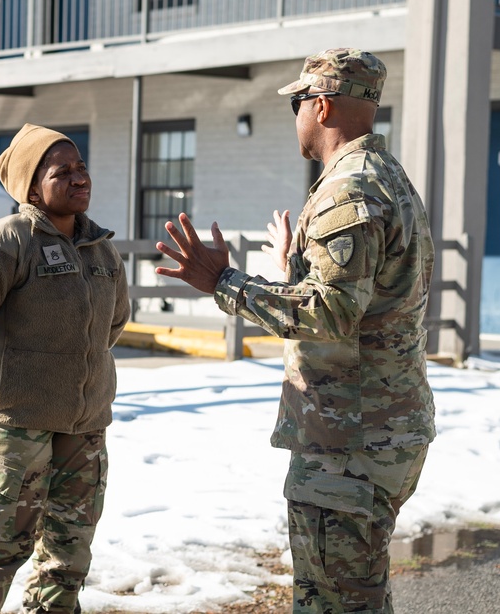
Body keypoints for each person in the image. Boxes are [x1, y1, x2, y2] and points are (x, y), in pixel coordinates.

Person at [155, 48, 436, 613]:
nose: (298, 116)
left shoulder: (349, 190)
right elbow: (365, 298)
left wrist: (225, 282)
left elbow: (331, 314)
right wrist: (293, 269)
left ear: (324, 104)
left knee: (333, 603)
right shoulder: (384, 176)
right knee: (357, 595)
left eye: (298, 104)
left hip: (350, 442)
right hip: (378, 429)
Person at [0, 124, 131, 614]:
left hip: (84, 429)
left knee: (67, 560)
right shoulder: (2, 243)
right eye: (61, 171)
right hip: (13, 428)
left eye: (81, 167)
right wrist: (14, 377)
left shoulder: (101, 247)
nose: (79, 177)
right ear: (30, 186)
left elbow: (113, 325)